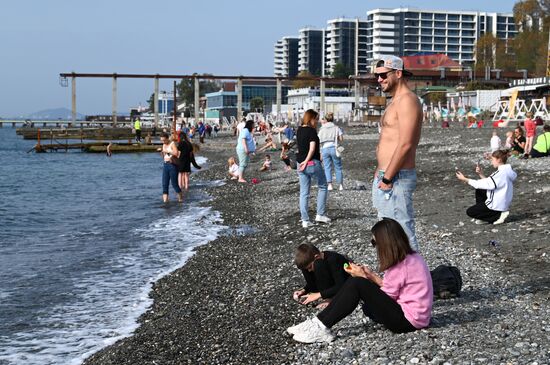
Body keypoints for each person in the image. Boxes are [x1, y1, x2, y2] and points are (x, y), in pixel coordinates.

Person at [287, 218, 433, 343]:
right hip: (413, 316)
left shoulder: (400, 266)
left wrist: (362, 278)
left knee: (356, 283)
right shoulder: (411, 258)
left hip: (408, 321)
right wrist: (371, 276)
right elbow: (392, 288)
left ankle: (320, 326)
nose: (374, 246)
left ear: (385, 243)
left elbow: (387, 296)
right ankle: (317, 323)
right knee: (362, 295)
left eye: (374, 242)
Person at [371, 55, 422, 251]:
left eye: (383, 75)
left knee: (403, 235)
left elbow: (406, 143)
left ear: (398, 73)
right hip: (386, 176)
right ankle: (398, 280)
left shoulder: (407, 101)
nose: (379, 79)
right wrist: (380, 173)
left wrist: (388, 177)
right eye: (377, 76)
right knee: (387, 236)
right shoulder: (395, 101)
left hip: (396, 178)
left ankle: (418, 281)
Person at [455, 150, 516, 225]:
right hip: (502, 203)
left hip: (497, 205)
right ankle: (485, 216)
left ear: (499, 160)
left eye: (492, 160)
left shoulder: (499, 174)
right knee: (480, 189)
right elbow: (489, 184)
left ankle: (497, 216)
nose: (491, 162)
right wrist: (481, 174)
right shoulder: (507, 171)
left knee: (470, 212)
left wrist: (465, 179)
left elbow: (483, 183)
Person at [296, 109, 330, 228]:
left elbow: (301, 147)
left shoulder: (299, 130)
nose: (317, 121)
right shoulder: (311, 131)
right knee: (323, 186)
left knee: (304, 192)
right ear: (311, 119)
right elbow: (311, 149)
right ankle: (320, 214)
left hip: (299, 164)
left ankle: (305, 220)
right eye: (316, 119)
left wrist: (303, 162)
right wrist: (306, 161)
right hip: (310, 163)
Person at [292, 243, 350, 309]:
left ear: (316, 256)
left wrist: (319, 295)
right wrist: (304, 290)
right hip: (326, 288)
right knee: (305, 268)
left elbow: (341, 285)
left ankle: (329, 299)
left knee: (318, 264)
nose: (310, 270)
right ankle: (315, 294)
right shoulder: (314, 263)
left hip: (341, 286)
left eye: (310, 267)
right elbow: (317, 279)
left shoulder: (333, 259)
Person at [318, 112, 344, 191]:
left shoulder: (322, 129)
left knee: (327, 167)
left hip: (325, 149)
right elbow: (341, 139)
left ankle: (330, 185)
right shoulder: (336, 127)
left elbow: (318, 139)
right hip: (334, 148)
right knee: (338, 167)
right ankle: (340, 185)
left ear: (325, 119)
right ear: (333, 119)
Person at [158, 132, 183, 203]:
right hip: (165, 165)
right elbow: (164, 156)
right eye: (161, 140)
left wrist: (167, 151)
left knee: (174, 184)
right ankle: (165, 202)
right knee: (164, 184)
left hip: (172, 165)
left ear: (167, 138)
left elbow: (176, 153)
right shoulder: (163, 144)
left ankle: (180, 199)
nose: (163, 142)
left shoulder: (172, 144)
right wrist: (162, 153)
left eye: (164, 140)